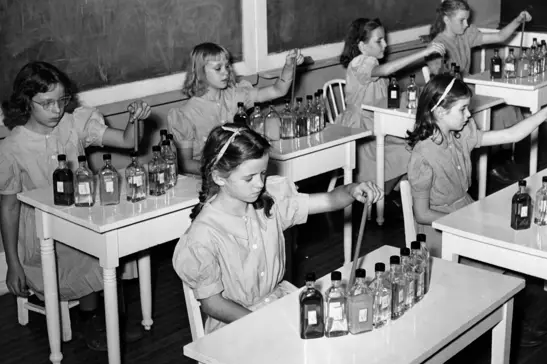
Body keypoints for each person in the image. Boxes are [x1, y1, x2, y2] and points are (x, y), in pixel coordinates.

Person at [0, 61, 151, 350]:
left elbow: (128, 141)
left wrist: (135, 118)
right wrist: (12, 262)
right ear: (26, 102)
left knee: (111, 236)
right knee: (87, 251)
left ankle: (113, 318)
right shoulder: (12, 148)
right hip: (43, 230)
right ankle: (91, 319)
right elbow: (8, 208)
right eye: (47, 103)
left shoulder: (73, 123)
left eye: (62, 100)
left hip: (83, 210)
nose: (57, 109)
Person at [172, 125, 382, 333]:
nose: (259, 184)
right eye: (249, 178)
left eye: (262, 174)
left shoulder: (267, 203)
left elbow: (328, 200)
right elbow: (213, 304)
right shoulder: (202, 235)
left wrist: (352, 189)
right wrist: (265, 324)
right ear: (219, 177)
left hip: (278, 304)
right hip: (236, 325)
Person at [406, 73, 547, 256]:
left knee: (507, 238)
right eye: (462, 109)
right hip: (440, 228)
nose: (469, 114)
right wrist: (464, 221)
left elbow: (510, 135)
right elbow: (422, 214)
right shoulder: (423, 156)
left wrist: (546, 112)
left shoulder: (461, 134)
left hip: (465, 210)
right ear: (440, 112)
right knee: (496, 254)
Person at [425, 0, 533, 183]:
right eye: (462, 20)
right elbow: (442, 84)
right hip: (452, 96)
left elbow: (500, 37)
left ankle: (498, 160)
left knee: (505, 106)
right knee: (497, 111)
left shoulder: (465, 34)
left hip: (467, 90)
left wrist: (518, 20)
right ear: (446, 19)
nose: (466, 24)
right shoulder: (437, 46)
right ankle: (490, 164)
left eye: (467, 19)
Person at [336, 18, 444, 193]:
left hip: (376, 123)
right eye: (379, 41)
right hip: (360, 131)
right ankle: (382, 191)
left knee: (417, 144)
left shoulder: (373, 63)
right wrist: (424, 53)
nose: (385, 45)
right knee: (412, 148)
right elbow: (386, 71)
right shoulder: (360, 62)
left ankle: (396, 190)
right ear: (362, 46)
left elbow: (384, 97)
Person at [168, 42, 304, 175]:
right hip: (203, 180)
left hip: (239, 177)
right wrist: (223, 172)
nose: (225, 73)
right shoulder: (185, 114)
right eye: (218, 68)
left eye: (227, 66)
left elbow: (277, 90)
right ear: (200, 72)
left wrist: (289, 67)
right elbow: (186, 164)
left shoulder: (235, 95)